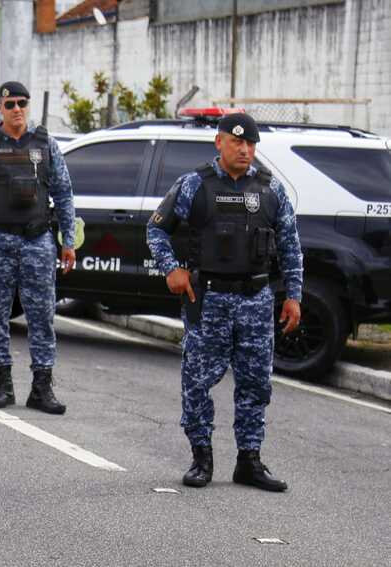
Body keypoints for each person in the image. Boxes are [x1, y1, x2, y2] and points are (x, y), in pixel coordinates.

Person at [146, 112, 303, 492]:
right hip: (209, 298)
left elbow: (290, 245)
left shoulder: (270, 190)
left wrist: (294, 295)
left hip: (255, 300)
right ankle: (201, 458)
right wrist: (171, 270)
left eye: (250, 144)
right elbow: (156, 229)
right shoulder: (193, 186)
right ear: (219, 142)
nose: (245, 150)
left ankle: (248, 461)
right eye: (237, 142)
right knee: (197, 382)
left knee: (255, 383)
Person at [0, 81, 76, 415]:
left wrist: (69, 241)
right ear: (0, 108)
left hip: (38, 241)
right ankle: (2, 383)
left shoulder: (46, 144)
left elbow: (64, 193)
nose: (17, 109)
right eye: (10, 104)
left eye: (22, 103)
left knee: (42, 316)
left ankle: (42, 387)